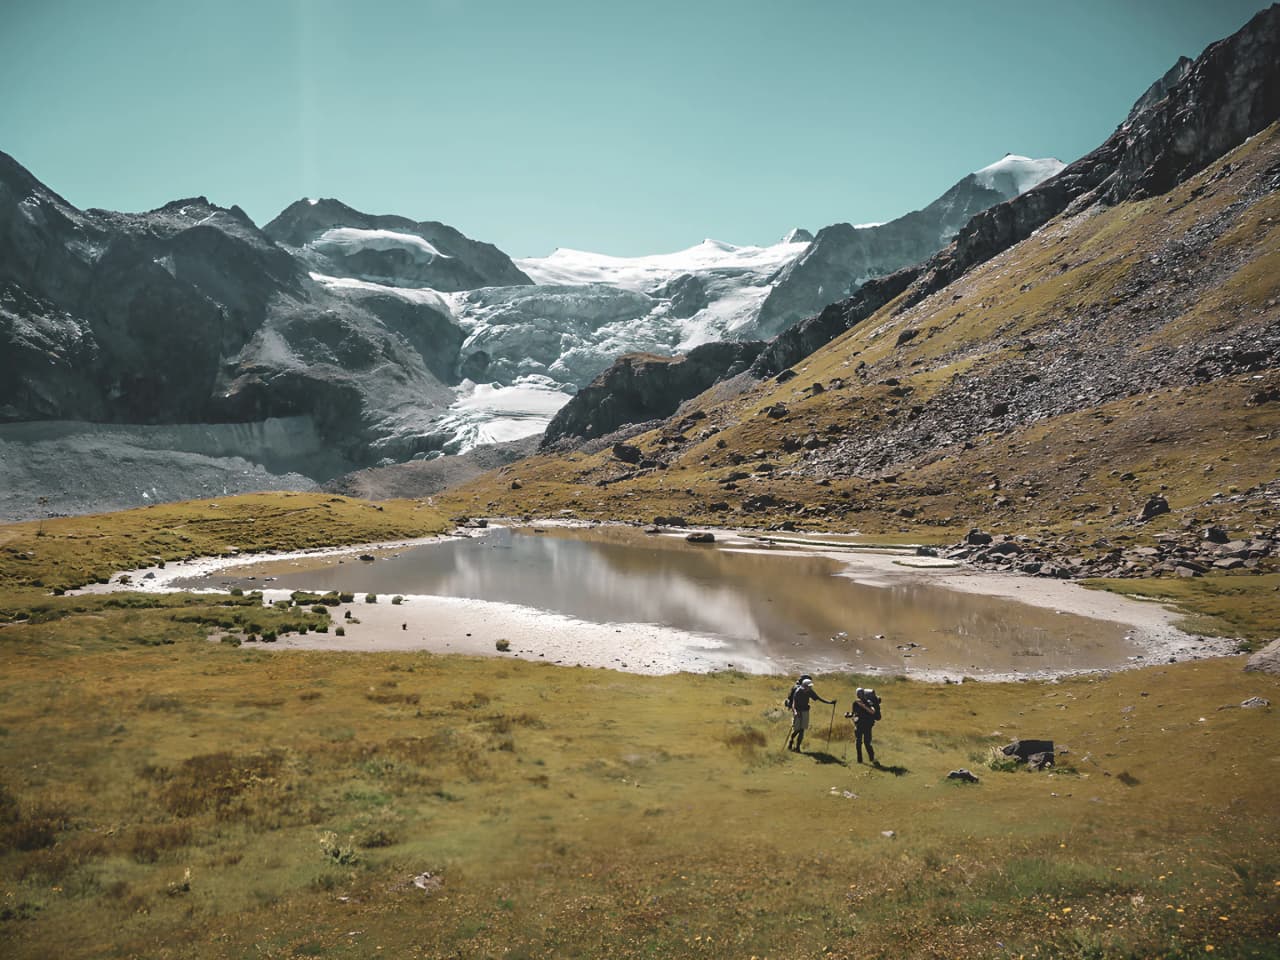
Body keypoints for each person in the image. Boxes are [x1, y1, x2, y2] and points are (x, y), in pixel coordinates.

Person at [786, 677, 835, 753]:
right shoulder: (798, 692)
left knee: (802, 730)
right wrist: (795, 712)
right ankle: (791, 740)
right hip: (798, 712)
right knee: (796, 730)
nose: (810, 687)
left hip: (805, 711)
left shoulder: (810, 691)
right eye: (809, 686)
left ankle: (798, 748)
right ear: (805, 686)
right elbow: (793, 704)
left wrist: (829, 702)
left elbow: (818, 698)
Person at [846, 686, 882, 765]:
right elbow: (855, 714)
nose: (860, 695)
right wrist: (849, 715)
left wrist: (863, 706)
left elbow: (872, 712)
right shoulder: (855, 703)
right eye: (858, 693)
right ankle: (859, 760)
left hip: (867, 726)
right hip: (859, 725)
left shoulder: (869, 702)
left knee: (867, 743)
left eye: (861, 693)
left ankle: (872, 758)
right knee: (858, 742)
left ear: (864, 694)